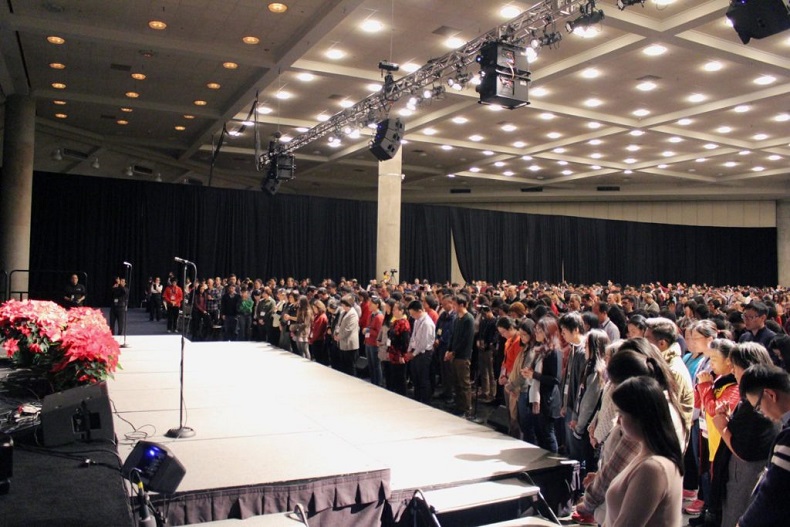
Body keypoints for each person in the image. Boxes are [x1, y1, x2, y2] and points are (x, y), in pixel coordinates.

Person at [707, 343, 779, 527]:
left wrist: (722, 427)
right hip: (750, 471)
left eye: (735, 367)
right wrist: (730, 418)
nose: (733, 372)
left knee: (736, 516)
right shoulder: (763, 393)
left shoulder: (759, 399)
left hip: (746, 474)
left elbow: (745, 450)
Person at [605, 376, 684, 527]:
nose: (619, 421)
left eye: (622, 414)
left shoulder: (653, 469)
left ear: (640, 417)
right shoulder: (647, 457)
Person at [737, 365, 790, 527]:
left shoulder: (788, 440)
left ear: (770, 394)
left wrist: (743, 523)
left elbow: (772, 494)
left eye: (759, 408)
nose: (763, 414)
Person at [522, 316, 563, 453]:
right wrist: (530, 373)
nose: (536, 334)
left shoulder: (554, 351)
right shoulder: (540, 350)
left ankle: (552, 464)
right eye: (536, 331)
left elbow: (555, 379)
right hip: (536, 396)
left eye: (539, 331)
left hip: (547, 400)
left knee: (547, 434)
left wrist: (534, 375)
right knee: (539, 432)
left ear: (548, 332)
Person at [446, 294, 475, 418]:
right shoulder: (457, 318)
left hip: (463, 356)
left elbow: (465, 340)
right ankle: (459, 405)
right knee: (456, 382)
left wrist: (454, 351)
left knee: (464, 383)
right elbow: (453, 336)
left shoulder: (469, 319)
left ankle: (466, 408)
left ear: (462, 305)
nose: (453, 306)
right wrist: (449, 350)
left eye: (455, 304)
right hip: (455, 355)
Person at [407, 300, 436, 404]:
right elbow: (413, 336)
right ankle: (417, 398)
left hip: (424, 354)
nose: (412, 316)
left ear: (419, 311)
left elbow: (423, 343)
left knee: (423, 378)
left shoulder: (427, 323)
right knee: (415, 377)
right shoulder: (416, 321)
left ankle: (425, 400)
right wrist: (409, 350)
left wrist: (413, 354)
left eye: (413, 314)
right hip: (415, 352)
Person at [334, 295, 359, 376]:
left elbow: (348, 329)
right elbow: (338, 324)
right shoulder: (342, 312)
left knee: (350, 366)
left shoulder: (353, 314)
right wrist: (336, 333)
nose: (342, 306)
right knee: (344, 365)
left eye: (343, 305)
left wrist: (339, 337)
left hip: (349, 343)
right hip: (342, 342)